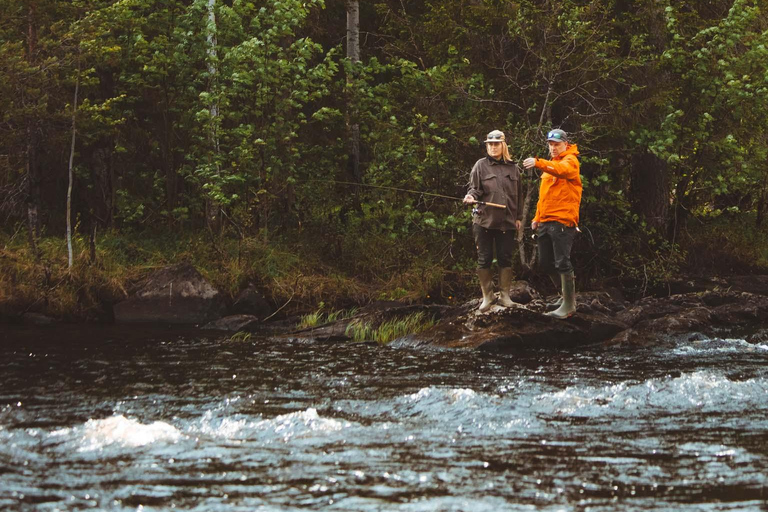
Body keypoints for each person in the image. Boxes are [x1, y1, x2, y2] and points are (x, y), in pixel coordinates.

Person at [522, 129, 582, 319]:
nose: (553, 148)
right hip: (545, 221)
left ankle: (569, 305)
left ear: (565, 143)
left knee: (562, 262)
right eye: (550, 144)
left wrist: (538, 163)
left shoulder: (571, 161)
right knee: (546, 263)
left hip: (563, 221)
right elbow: (544, 196)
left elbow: (563, 171)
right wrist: (536, 217)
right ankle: (564, 296)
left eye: (556, 144)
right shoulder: (551, 165)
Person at [463, 130, 523, 312]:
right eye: (490, 144)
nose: (493, 146)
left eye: (496, 144)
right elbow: (474, 189)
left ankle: (505, 297)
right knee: (485, 259)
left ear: (503, 145)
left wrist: (519, 217)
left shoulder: (514, 168)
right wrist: (470, 196)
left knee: (505, 258)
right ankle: (487, 297)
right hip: (484, 221)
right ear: (487, 146)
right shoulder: (480, 166)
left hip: (508, 221)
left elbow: (519, 195)